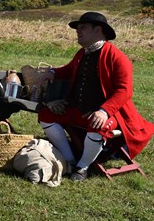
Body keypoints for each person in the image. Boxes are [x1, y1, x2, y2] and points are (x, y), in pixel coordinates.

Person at [38, 12, 154, 181]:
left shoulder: (118, 58)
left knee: (97, 123)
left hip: (110, 114)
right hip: (79, 109)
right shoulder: (82, 53)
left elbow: (125, 90)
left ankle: (82, 167)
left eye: (83, 28)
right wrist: (52, 72)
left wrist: (104, 111)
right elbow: (69, 70)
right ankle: (70, 160)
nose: (78, 31)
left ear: (98, 30)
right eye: (77, 28)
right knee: (45, 115)